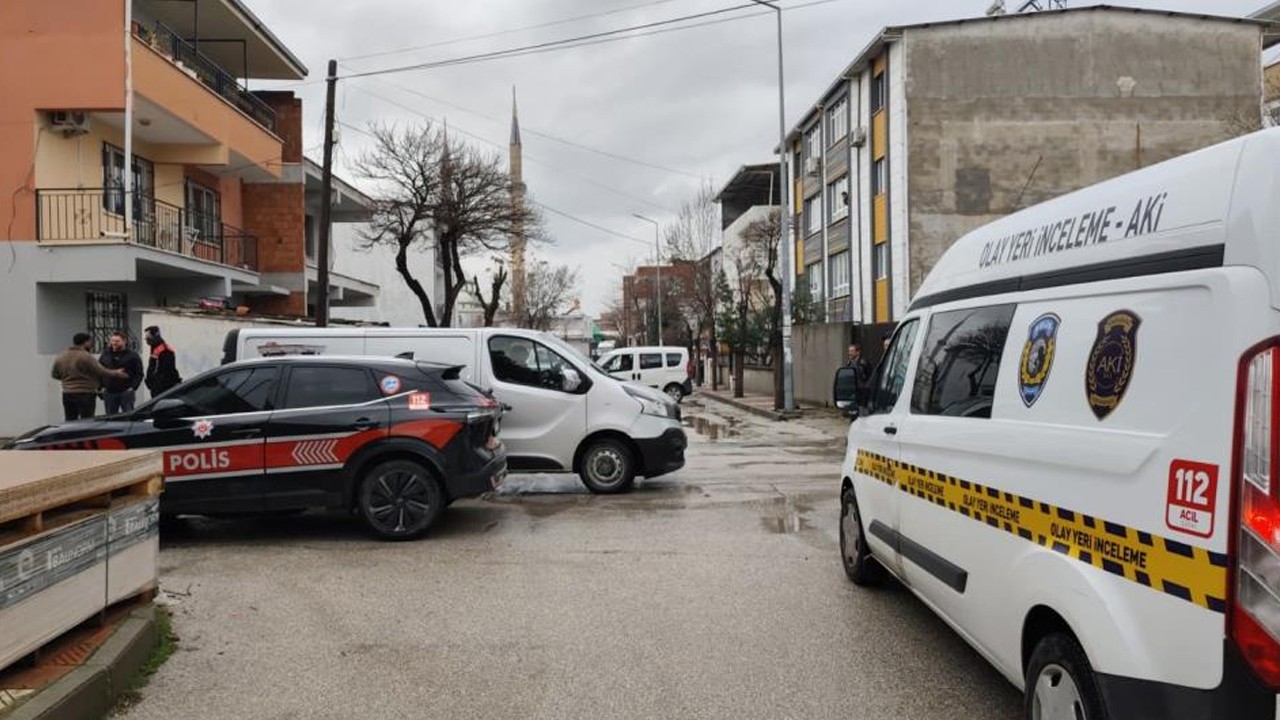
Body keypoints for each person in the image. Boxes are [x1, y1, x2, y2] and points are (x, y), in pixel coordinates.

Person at [51, 333, 127, 421]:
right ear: (85, 342)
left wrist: (67, 379)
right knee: (87, 420)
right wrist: (116, 373)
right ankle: (85, 435)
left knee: (70, 419)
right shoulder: (85, 356)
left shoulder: (61, 356)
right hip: (85, 393)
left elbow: (55, 374)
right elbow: (100, 371)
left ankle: (72, 435)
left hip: (67, 393)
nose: (91, 344)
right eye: (90, 342)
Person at [99, 331, 144, 414]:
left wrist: (133, 387)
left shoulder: (133, 355)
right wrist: (101, 387)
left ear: (124, 341)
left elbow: (139, 373)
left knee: (128, 415)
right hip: (109, 392)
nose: (114, 343)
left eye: (117, 341)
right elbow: (99, 371)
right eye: (112, 341)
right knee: (110, 417)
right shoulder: (105, 354)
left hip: (126, 391)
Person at [144, 325, 182, 397]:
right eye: (146, 338)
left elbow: (167, 370)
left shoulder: (165, 350)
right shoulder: (155, 348)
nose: (146, 340)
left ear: (155, 336)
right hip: (156, 387)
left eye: (148, 337)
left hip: (162, 388)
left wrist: (156, 385)